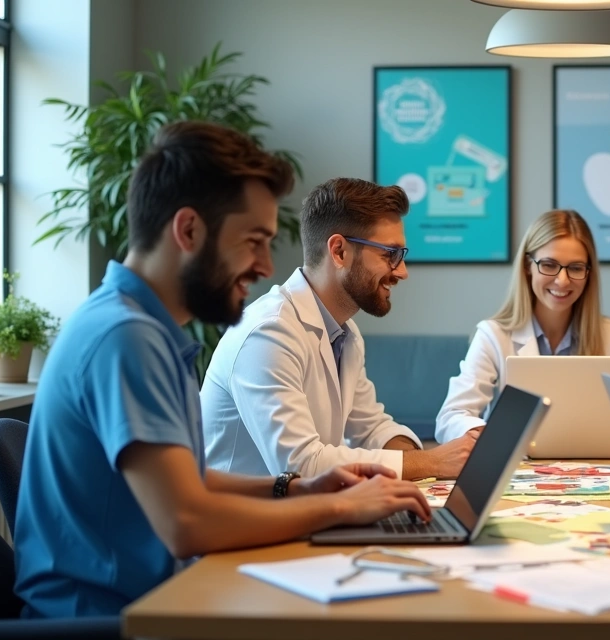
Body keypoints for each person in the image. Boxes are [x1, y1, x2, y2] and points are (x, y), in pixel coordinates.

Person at [13, 123, 429, 619]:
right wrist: (342, 506)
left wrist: (296, 488)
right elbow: (186, 521)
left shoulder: (143, 327)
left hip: (155, 598)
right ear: (188, 231)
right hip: (111, 618)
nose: (263, 266)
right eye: (252, 241)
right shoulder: (125, 337)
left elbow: (187, 481)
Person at [202, 178, 476, 481]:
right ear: (339, 251)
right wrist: (432, 464)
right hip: (245, 524)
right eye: (390, 254)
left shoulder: (345, 333)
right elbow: (300, 465)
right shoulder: (268, 334)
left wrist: (438, 458)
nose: (402, 271)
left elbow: (370, 427)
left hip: (302, 514)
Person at [434, 209, 610, 443]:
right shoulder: (493, 335)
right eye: (549, 265)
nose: (562, 280)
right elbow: (451, 417)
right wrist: (491, 435)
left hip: (593, 468)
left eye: (576, 268)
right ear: (528, 266)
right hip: (518, 468)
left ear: (589, 274)